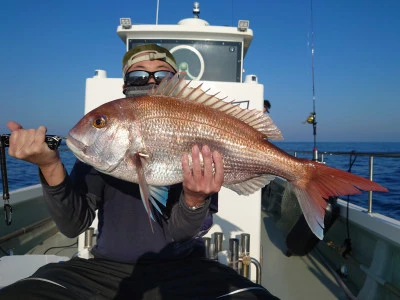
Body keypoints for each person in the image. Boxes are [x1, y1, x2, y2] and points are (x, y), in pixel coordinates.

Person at [1, 44, 278, 299]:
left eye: (162, 75)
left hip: (186, 268)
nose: (150, 80)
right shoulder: (97, 155)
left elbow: (181, 233)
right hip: (103, 271)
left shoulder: (198, 131)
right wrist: (49, 165)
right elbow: (74, 225)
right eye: (138, 76)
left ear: (176, 82)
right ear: (126, 85)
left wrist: (194, 198)